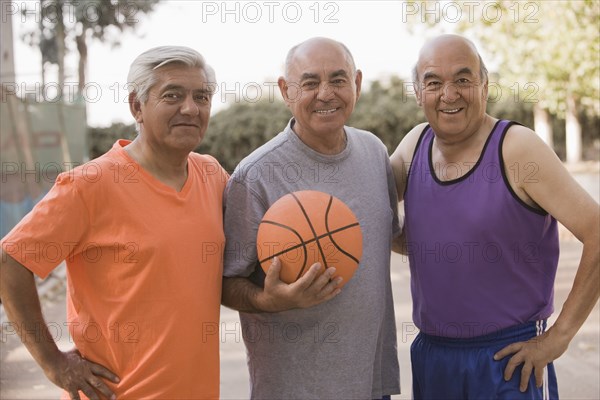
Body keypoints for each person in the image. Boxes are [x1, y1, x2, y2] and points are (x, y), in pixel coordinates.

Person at [0, 46, 228, 399]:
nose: (190, 108)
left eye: (202, 97)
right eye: (173, 95)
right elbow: (10, 261)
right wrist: (53, 363)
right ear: (137, 105)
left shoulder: (212, 176)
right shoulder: (90, 185)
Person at [390, 34, 600, 399]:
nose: (449, 94)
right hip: (433, 358)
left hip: (508, 362)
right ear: (418, 92)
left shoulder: (517, 148)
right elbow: (371, 218)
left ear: (484, 85)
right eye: (434, 82)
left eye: (463, 79)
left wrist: (559, 336)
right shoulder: (414, 145)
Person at [221, 37, 401, 399]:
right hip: (296, 389)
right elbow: (224, 284)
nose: (325, 94)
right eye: (309, 83)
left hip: (371, 382)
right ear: (286, 91)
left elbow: (389, 241)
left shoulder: (374, 152)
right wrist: (269, 301)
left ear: (358, 84)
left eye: (338, 80)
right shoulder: (255, 175)